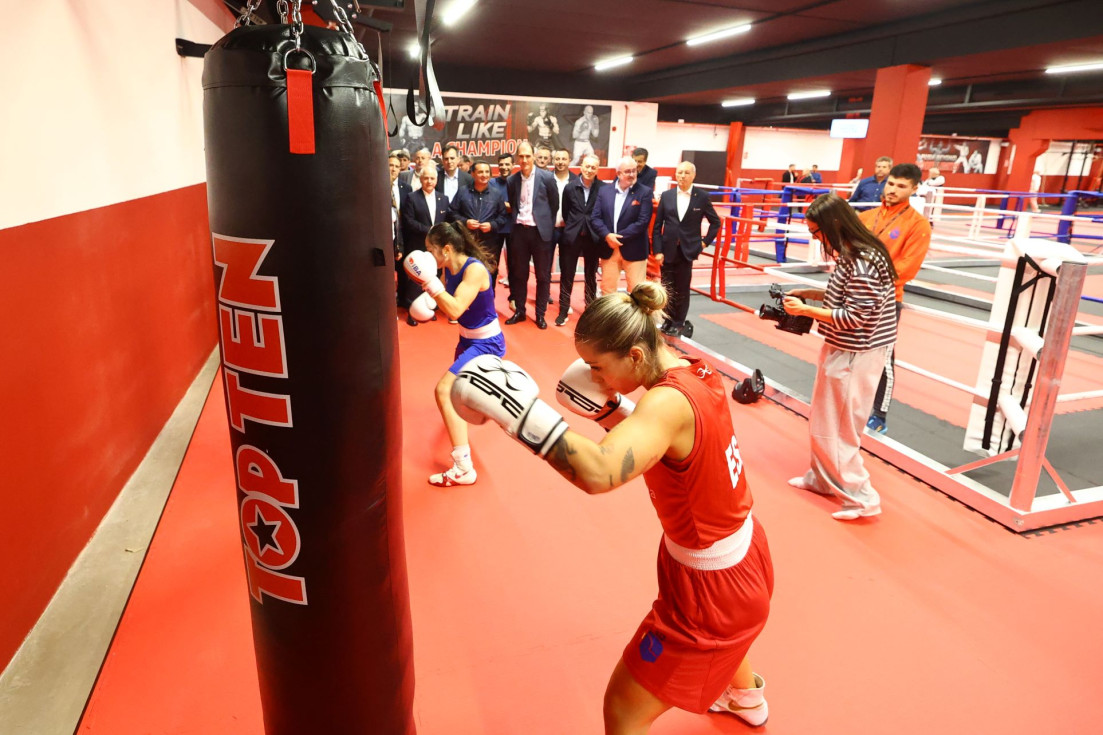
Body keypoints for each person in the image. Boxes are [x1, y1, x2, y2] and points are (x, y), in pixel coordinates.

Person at [449, 282, 774, 734]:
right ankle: (746, 698)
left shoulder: (665, 404)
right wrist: (610, 412)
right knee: (728, 635)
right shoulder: (694, 370)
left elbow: (600, 472)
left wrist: (520, 414)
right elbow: (672, 446)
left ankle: (740, 693)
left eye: (598, 367)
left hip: (713, 588)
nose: (594, 377)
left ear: (635, 355)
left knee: (622, 709)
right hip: (741, 555)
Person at [782, 194, 898, 520]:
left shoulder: (863, 262)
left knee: (842, 426)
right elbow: (845, 298)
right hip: (843, 346)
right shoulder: (853, 254)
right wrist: (810, 294)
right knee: (824, 418)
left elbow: (855, 316)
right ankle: (822, 478)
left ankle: (862, 498)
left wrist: (806, 310)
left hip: (857, 351)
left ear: (832, 225)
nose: (815, 238)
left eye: (816, 232)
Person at [403, 223, 505, 486]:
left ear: (446, 250)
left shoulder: (474, 270)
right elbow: (451, 302)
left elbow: (457, 309)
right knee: (458, 395)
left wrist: (430, 284)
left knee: (445, 391)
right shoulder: (449, 268)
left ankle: (463, 467)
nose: (428, 255)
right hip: (467, 340)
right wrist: (429, 300)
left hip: (486, 343)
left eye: (430, 250)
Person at [857, 163, 931, 434]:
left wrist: (868, 282)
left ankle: (879, 415)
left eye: (901, 186)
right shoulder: (867, 217)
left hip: (886, 299)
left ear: (914, 189)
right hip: (856, 295)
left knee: (883, 356)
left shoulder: (918, 225)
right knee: (851, 350)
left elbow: (907, 268)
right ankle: (853, 401)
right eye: (890, 183)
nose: (893, 190)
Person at [651, 161, 721, 338]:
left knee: (682, 288)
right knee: (667, 288)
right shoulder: (666, 196)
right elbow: (657, 226)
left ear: (693, 175)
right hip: (667, 250)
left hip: (688, 250)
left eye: (686, 173)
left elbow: (715, 223)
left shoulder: (702, 197)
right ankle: (667, 319)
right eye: (679, 172)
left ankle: (678, 322)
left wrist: (703, 244)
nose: (682, 176)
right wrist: (657, 250)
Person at [505, 141, 560, 328]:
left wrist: (546, 224)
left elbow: (554, 204)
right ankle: (520, 311)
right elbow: (514, 205)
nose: (524, 160)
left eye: (528, 156)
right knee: (519, 275)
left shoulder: (547, 178)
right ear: (517, 158)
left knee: (543, 276)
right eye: (521, 156)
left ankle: (540, 314)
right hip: (520, 232)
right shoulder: (512, 180)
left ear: (534, 157)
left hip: (540, 233)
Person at [591, 156, 654, 297]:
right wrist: (607, 235)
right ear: (618, 173)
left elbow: (643, 221)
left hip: (634, 248)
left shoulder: (645, 192)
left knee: (638, 293)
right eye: (627, 171)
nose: (632, 174)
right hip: (609, 248)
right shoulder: (604, 191)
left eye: (634, 171)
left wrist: (617, 238)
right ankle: (610, 313)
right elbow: (595, 217)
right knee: (607, 291)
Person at [557, 153, 606, 324]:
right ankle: (563, 310)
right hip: (572, 236)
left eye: (593, 167)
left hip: (593, 237)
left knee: (590, 275)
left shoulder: (603, 188)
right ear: (581, 167)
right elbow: (566, 211)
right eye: (587, 166)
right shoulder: (570, 188)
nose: (589, 170)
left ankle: (590, 309)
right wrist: (574, 226)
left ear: (597, 169)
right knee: (567, 274)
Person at [399, 166, 451, 322]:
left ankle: (430, 309)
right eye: (426, 178)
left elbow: (447, 221)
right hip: (418, 245)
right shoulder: (411, 197)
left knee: (434, 277)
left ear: (437, 180)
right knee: (415, 280)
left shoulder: (444, 198)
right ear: (421, 179)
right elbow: (408, 221)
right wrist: (429, 230)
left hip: (437, 249)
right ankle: (412, 312)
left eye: (432, 178)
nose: (429, 181)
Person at [448, 161, 509, 268]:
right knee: (466, 270)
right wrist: (465, 222)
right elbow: (452, 212)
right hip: (466, 241)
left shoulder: (496, 194)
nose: (484, 175)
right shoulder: (462, 192)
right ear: (473, 174)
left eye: (487, 172)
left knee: (489, 272)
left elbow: (503, 217)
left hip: (489, 243)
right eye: (480, 172)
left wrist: (492, 225)